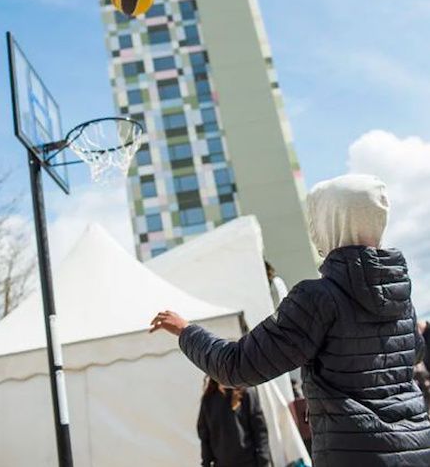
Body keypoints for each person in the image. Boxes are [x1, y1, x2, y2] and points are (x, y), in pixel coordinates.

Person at [151, 174, 430, 467]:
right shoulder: (401, 299)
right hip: (418, 449)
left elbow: (236, 366)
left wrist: (186, 331)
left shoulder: (317, 298)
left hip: (356, 454)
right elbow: (414, 355)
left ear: (329, 221)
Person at [197, 377, 271, 467]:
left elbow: (260, 431)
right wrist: (206, 463)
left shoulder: (246, 393)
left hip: (248, 463)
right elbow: (204, 436)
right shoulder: (208, 399)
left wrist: (263, 461)